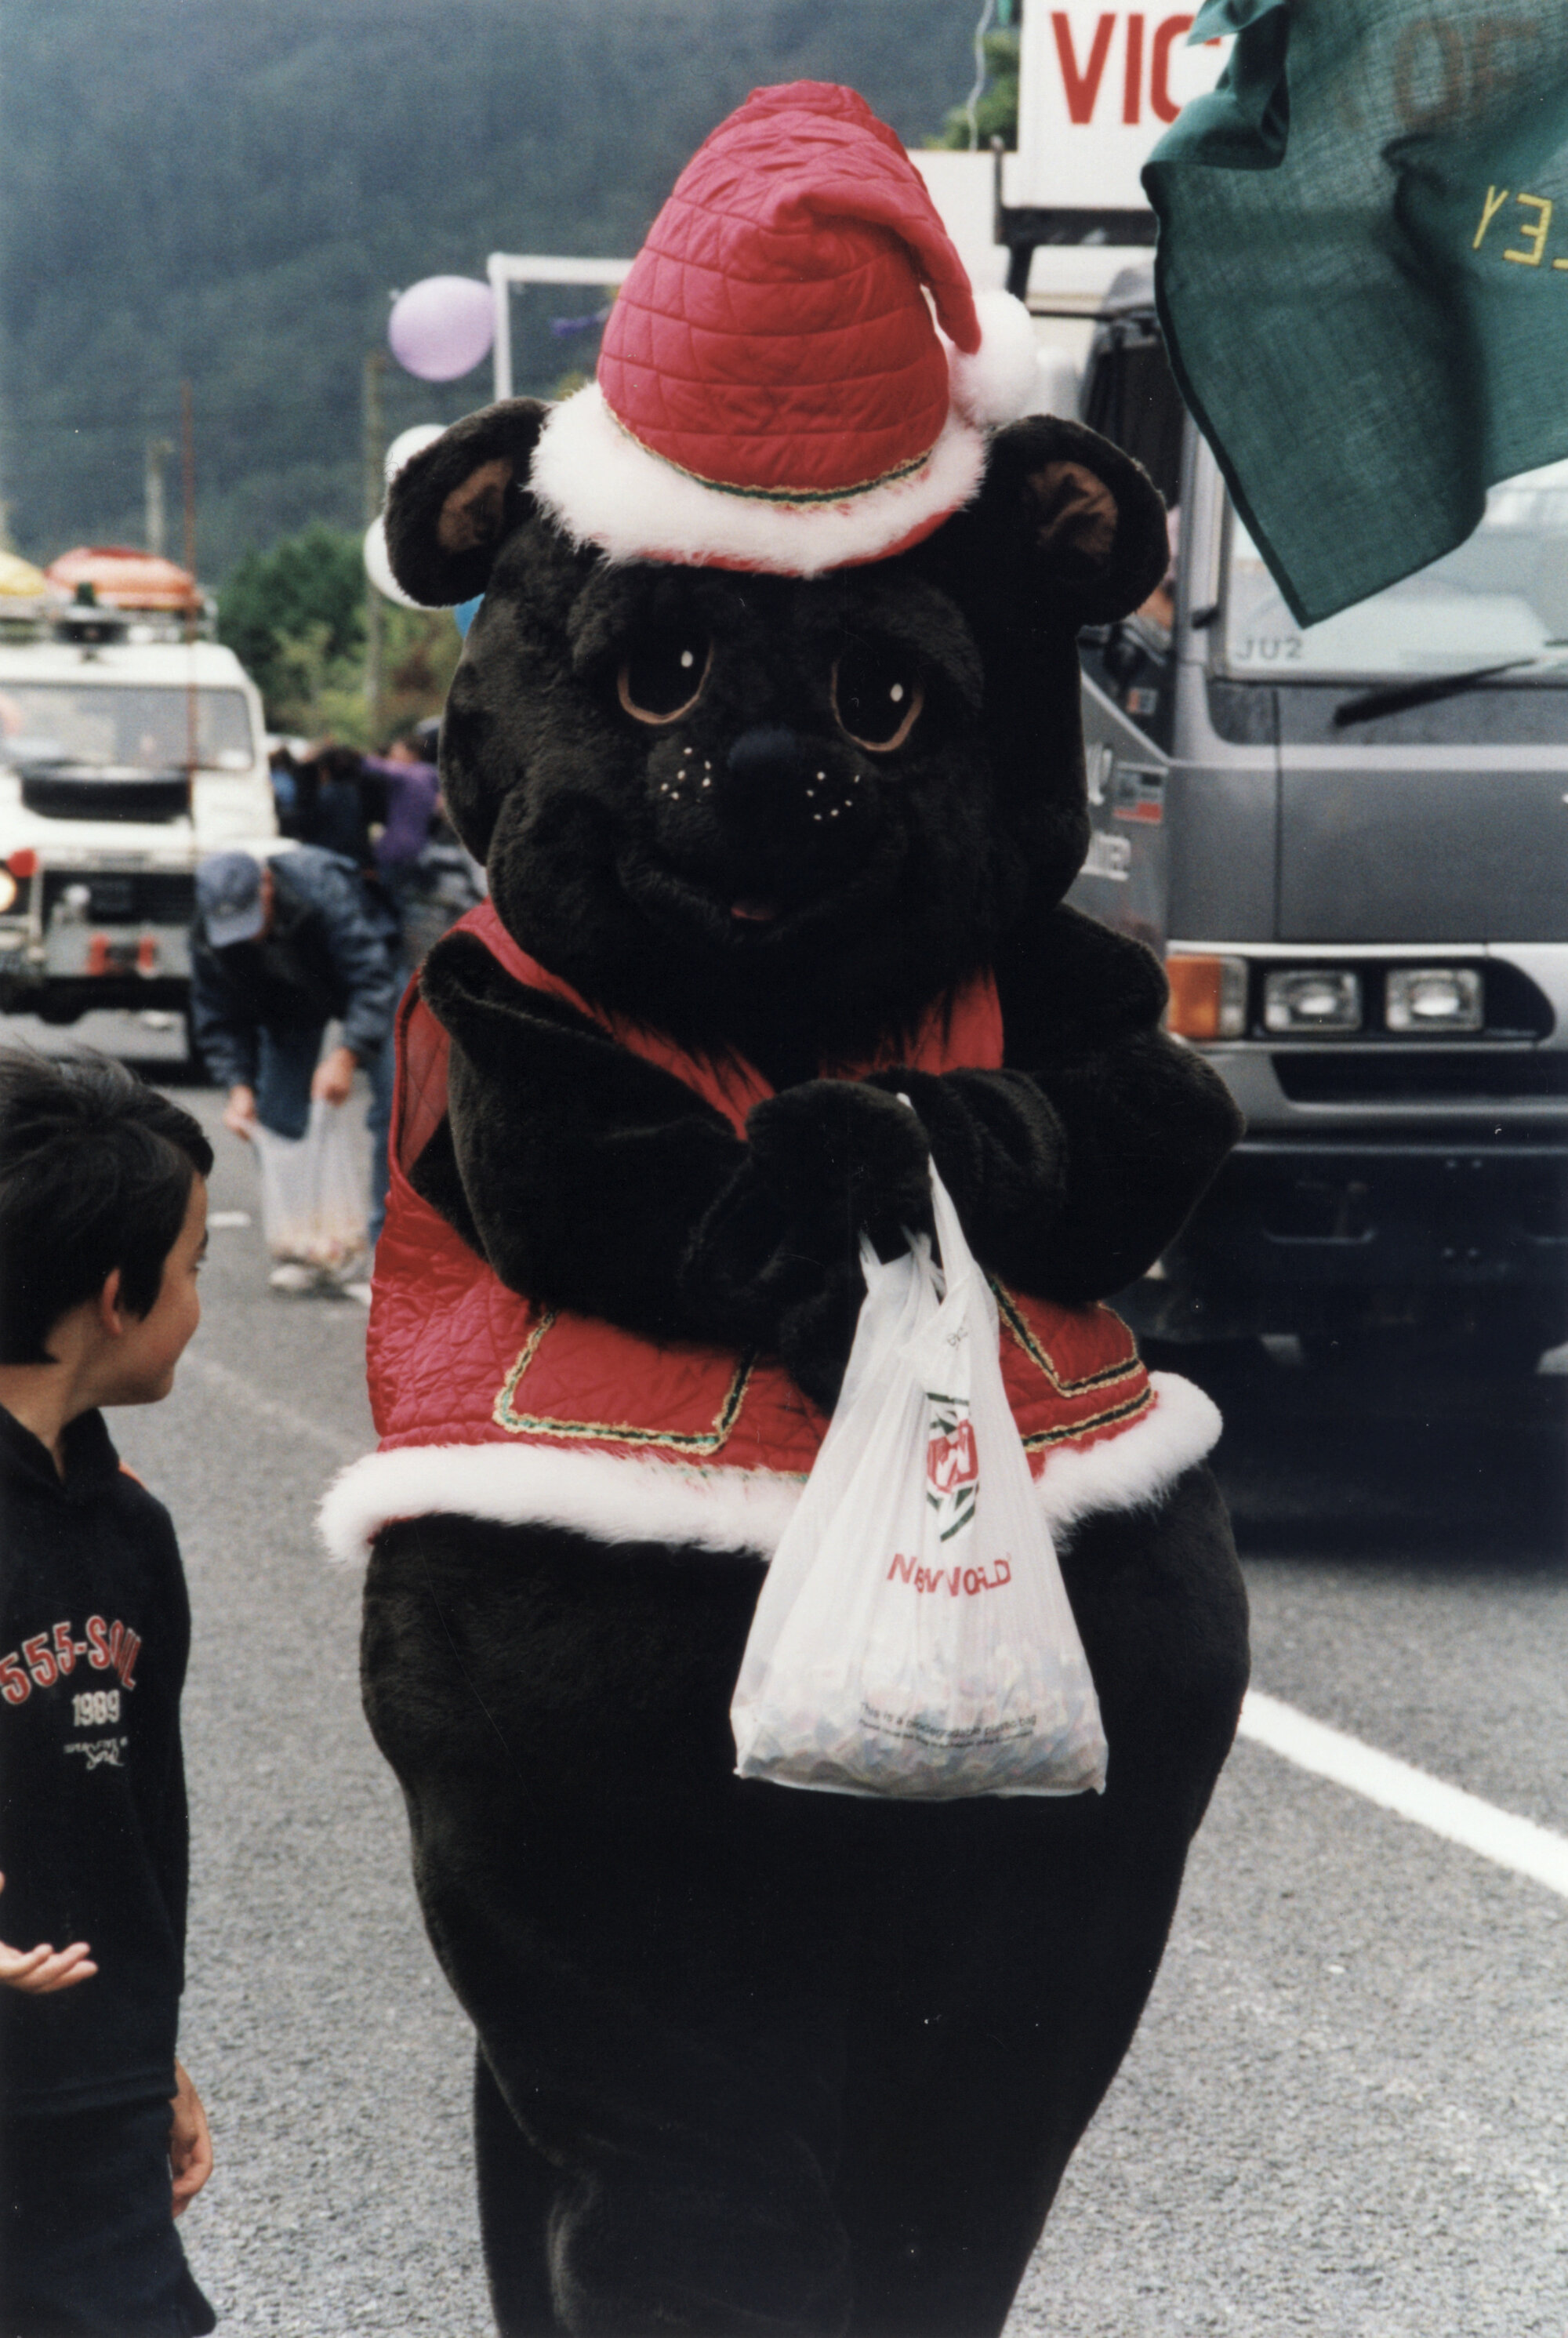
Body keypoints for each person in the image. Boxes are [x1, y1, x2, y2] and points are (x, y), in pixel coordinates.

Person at [0, 1048, 216, 2337]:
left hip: (91, 2098)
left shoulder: (128, 1530)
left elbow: (131, 1828)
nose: (202, 1303)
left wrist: (154, 2057)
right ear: (121, 1295)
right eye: (194, 1270)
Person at [188, 845, 400, 1262]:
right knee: (276, 1117)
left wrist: (346, 1054)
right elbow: (219, 1015)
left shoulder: (321, 892)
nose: (245, 934)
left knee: (396, 1103)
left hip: (371, 979)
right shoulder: (209, 934)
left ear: (267, 884)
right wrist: (238, 1087)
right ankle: (306, 1245)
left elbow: (371, 979)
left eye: (250, 917)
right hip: (290, 1003)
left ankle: (388, 1248)